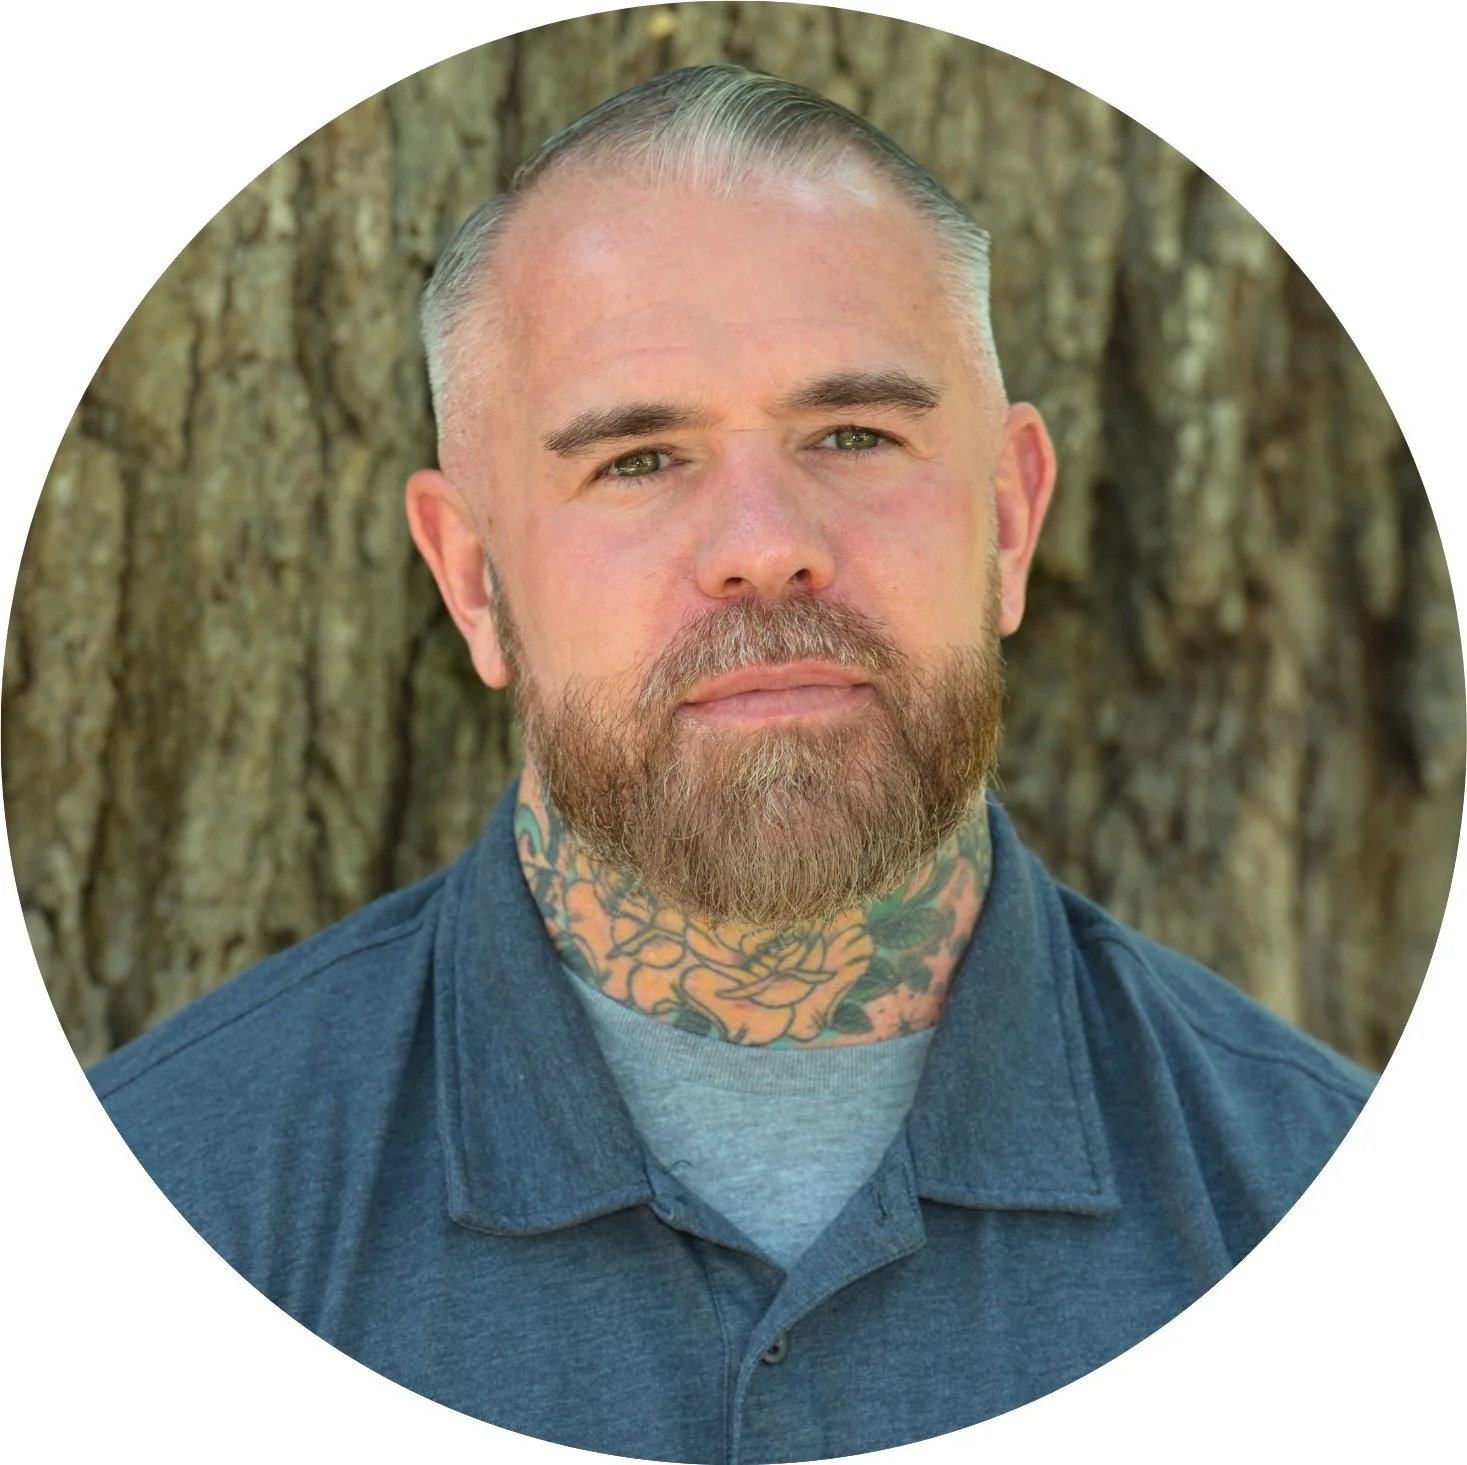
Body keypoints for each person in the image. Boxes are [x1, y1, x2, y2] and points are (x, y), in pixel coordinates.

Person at [89, 65, 1373, 1463]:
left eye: (851, 434)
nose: (765, 542)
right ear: (472, 581)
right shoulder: (147, 1217)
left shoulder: (1335, 1219)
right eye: (639, 459)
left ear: (1008, 521)